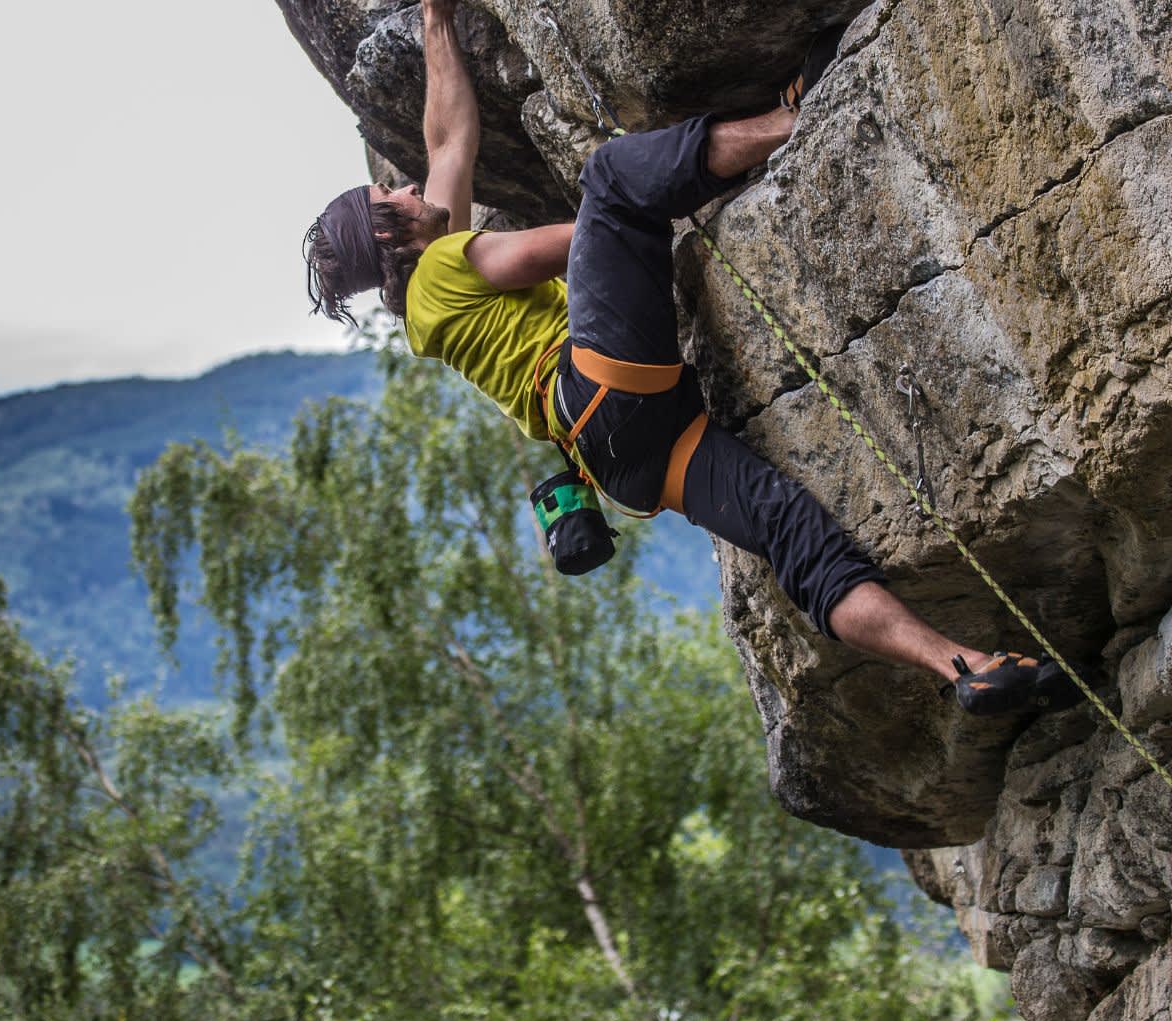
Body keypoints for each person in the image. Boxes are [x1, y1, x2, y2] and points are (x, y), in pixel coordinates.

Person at [301, 0, 1071, 715]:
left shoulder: (426, 301)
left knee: (788, 534)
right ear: (393, 236)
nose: (405, 183)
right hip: (607, 380)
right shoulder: (444, 266)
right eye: (391, 196)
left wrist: (437, 12)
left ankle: (962, 667)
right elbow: (581, 238)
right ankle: (790, 118)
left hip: (628, 459)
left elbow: (448, 141)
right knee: (610, 181)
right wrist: (649, 205)